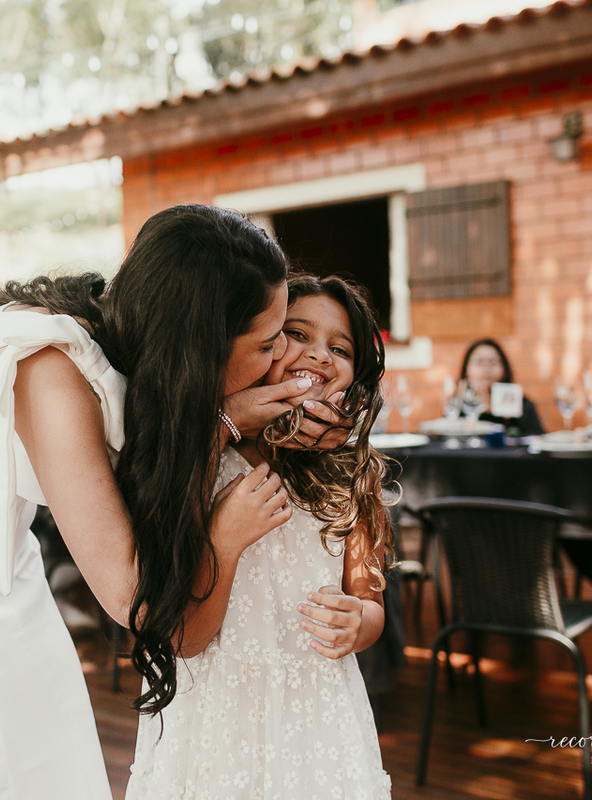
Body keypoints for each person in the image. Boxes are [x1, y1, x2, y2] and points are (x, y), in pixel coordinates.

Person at [0, 205, 349, 798]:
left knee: (57, 753)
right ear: (198, 348)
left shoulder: (130, 339)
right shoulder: (52, 374)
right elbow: (136, 598)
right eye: (268, 341)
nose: (281, 356)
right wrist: (219, 430)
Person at [125, 274, 394, 799]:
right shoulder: (200, 448)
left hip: (315, 714)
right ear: (259, 343)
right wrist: (221, 425)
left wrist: (359, 623)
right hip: (213, 708)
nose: (319, 355)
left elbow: (370, 600)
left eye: (340, 348)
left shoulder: (349, 474)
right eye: (297, 334)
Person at [458, 338, 544, 435]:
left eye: (493, 362)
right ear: (466, 368)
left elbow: (538, 438)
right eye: (479, 362)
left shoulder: (523, 405)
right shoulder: (457, 405)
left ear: (504, 368)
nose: (486, 368)